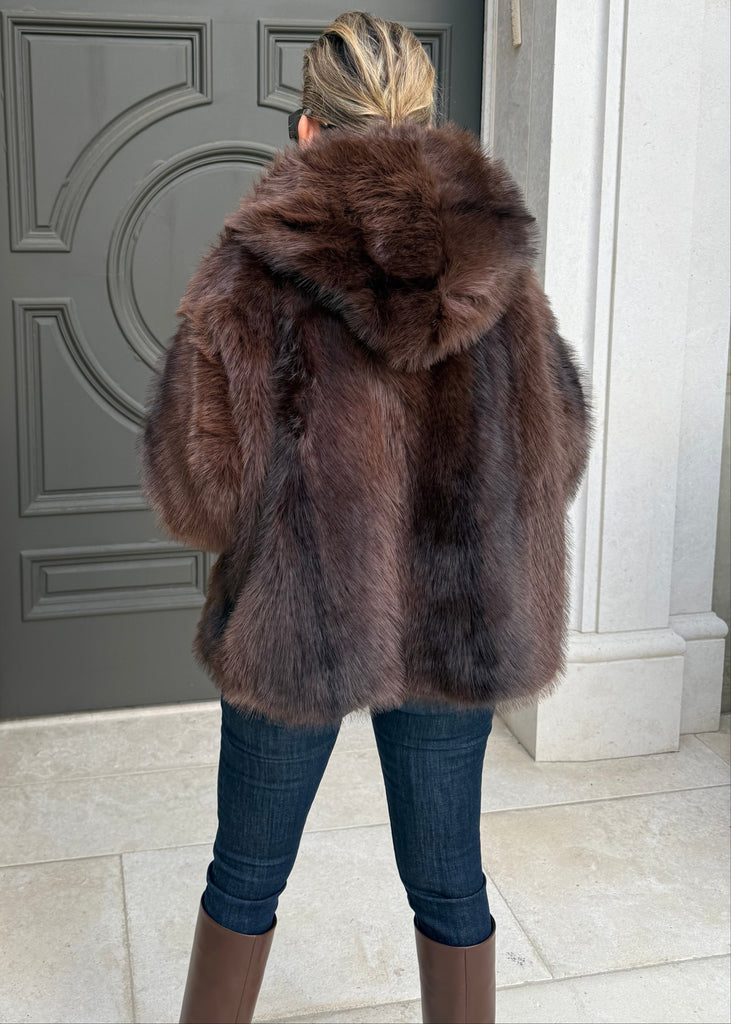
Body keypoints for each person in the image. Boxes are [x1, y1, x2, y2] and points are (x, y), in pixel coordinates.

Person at [138, 11, 594, 1024]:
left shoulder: (248, 274)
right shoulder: (501, 274)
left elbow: (196, 490)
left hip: (293, 629)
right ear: (429, 124)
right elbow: (555, 449)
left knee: (244, 877)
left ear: (306, 132)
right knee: (448, 880)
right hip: (455, 619)